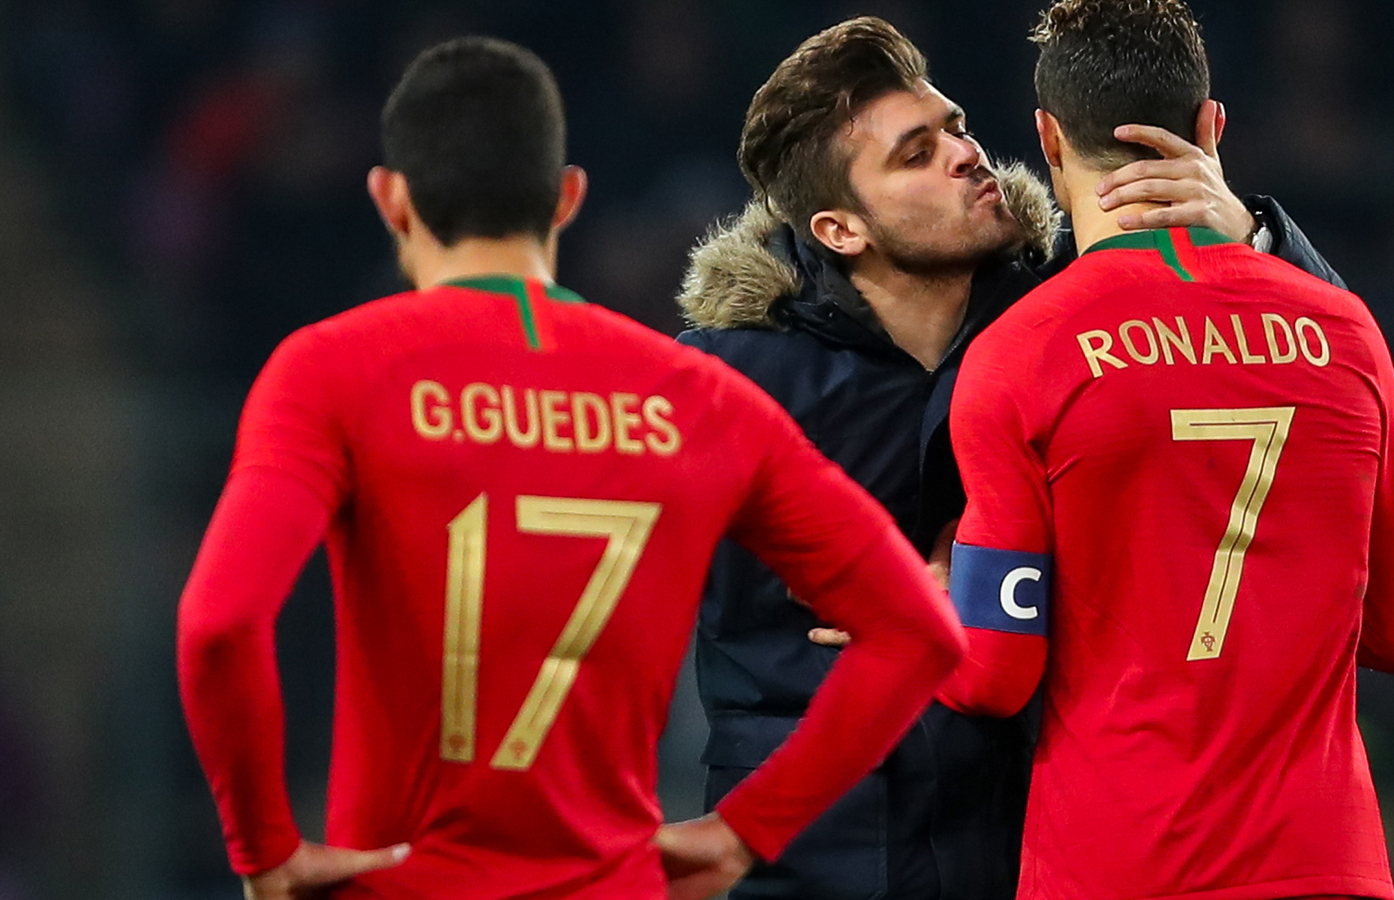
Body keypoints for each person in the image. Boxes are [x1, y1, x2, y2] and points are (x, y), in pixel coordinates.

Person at [175, 36, 967, 900]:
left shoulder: (332, 370)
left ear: (391, 199)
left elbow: (219, 624)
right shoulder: (694, 396)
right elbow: (917, 632)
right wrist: (748, 831)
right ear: (567, 198)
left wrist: (265, 850)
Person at [676, 15, 1347, 900]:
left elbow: (1327, 391)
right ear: (841, 229)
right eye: (915, 153)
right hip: (806, 862)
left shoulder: (1076, 318)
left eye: (954, 127)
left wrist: (1250, 241)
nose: (964, 154)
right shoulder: (727, 383)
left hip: (1023, 841)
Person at [937, 2, 1394, 899]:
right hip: (1324, 863)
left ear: (1047, 140)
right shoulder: (1346, 332)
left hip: (1117, 864)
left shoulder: (1021, 351)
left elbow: (996, 672)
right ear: (1212, 127)